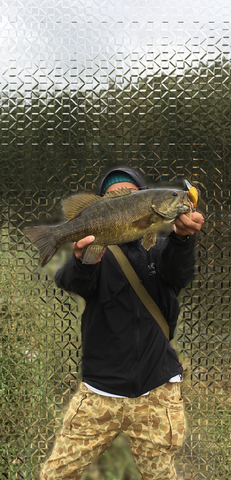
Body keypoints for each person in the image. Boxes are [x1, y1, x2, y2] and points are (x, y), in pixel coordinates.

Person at [40, 167, 204, 480]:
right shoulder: (98, 249)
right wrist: (84, 260)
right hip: (101, 389)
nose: (123, 198)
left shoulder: (159, 246)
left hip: (157, 387)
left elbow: (179, 274)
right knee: (56, 475)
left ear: (146, 199)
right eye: (115, 195)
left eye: (130, 193)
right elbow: (70, 281)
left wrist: (183, 238)